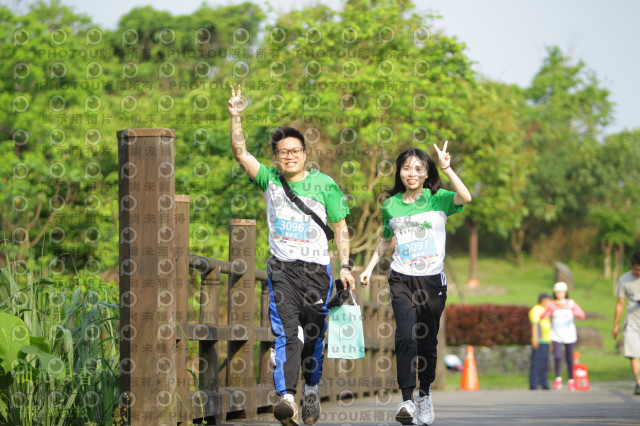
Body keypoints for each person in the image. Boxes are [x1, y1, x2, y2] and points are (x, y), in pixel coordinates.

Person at [227, 84, 356, 425]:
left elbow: (341, 227)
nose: (289, 156)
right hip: (282, 270)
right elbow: (240, 153)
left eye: (295, 151)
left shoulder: (325, 185)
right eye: (283, 152)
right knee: (286, 333)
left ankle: (310, 390)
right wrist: (236, 116)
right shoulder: (269, 180)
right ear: (276, 156)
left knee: (313, 335)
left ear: (305, 153)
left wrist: (345, 266)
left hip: (316, 272)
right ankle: (286, 397)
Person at [360, 146, 472, 426]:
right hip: (401, 278)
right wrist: (370, 268)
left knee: (427, 342)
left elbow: (466, 197)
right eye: (406, 168)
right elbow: (386, 239)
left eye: (419, 169)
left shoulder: (439, 198)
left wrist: (447, 168)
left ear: (427, 174)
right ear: (399, 171)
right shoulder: (391, 204)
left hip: (431, 281)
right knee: (405, 336)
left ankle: (425, 393)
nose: (412, 173)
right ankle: (407, 399)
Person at [540, 281, 585, 391]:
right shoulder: (552, 305)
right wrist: (549, 309)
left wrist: (572, 310)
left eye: (562, 292)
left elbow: (582, 315)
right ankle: (558, 379)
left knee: (569, 358)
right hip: (556, 335)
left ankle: (571, 380)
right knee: (558, 356)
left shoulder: (571, 303)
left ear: (565, 293)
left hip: (569, 335)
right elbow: (543, 316)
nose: (560, 294)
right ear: (555, 293)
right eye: (558, 292)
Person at [612, 251, 640, 396]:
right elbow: (620, 303)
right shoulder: (624, 279)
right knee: (634, 354)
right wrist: (616, 325)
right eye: (636, 270)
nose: (638, 273)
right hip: (633, 322)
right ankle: (639, 384)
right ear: (630, 265)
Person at [529, 293, 552, 390]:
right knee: (536, 362)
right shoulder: (536, 309)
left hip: (546, 340)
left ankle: (543, 382)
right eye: (548, 300)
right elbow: (535, 324)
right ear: (543, 300)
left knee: (544, 363)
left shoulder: (547, 310)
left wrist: (550, 341)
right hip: (539, 340)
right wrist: (535, 339)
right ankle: (534, 383)